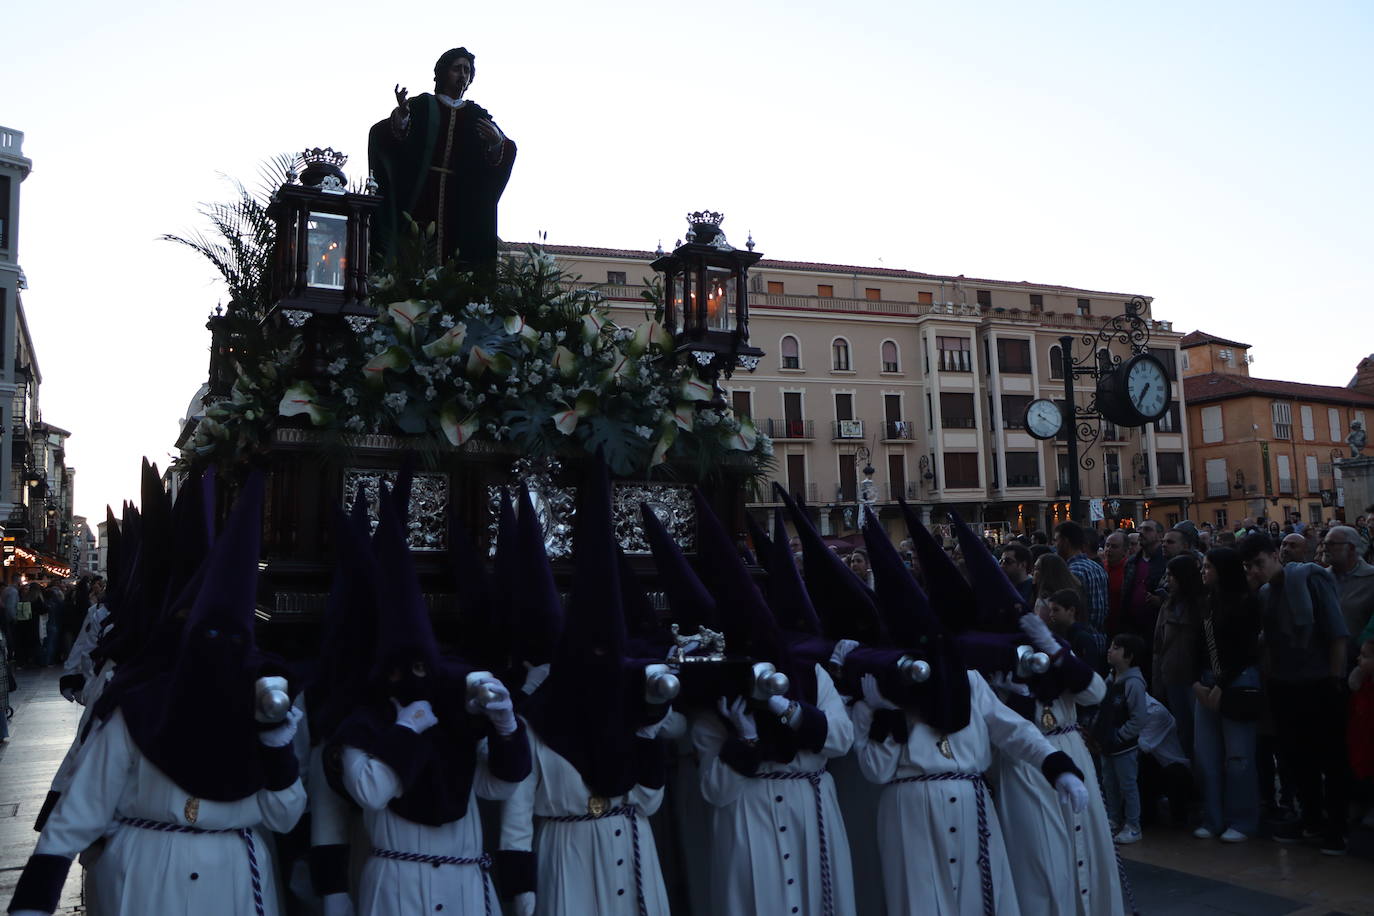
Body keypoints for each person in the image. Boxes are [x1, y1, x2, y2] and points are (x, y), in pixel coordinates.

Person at [6, 475, 308, 916]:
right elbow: (79, 811)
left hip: (233, 884)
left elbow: (285, 815)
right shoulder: (140, 706)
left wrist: (276, 741)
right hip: (143, 878)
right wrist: (33, 903)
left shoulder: (266, 709)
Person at [1239, 531, 1350, 854]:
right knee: (1297, 759)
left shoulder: (1311, 579)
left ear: (1276, 555)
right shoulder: (1262, 595)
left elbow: (1337, 633)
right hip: (1284, 685)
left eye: (1259, 563)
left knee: (1331, 758)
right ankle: (1312, 818)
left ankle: (1337, 827)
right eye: (1249, 566)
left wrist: (1334, 680)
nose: (1255, 571)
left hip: (1320, 684)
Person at [368, 47, 517, 265]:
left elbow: (502, 153)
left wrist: (496, 143)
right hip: (421, 196)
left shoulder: (477, 115)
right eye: (457, 69)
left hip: (461, 203)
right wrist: (401, 118)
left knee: (458, 259)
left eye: (467, 71)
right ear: (443, 73)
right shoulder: (422, 106)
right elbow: (386, 138)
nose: (462, 75)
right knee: (415, 254)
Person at [1190, 548, 1262, 842]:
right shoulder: (1207, 601)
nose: (1203, 571)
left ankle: (1242, 820)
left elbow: (1247, 650)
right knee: (1207, 756)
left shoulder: (1246, 602)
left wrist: (1221, 683)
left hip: (1236, 681)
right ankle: (1213, 817)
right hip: (1207, 682)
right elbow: (1196, 644)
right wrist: (1196, 681)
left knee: (1238, 756)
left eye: (1208, 567)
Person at [1094, 633, 1148, 844]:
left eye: (1116, 648)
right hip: (1108, 745)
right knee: (1109, 782)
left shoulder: (1133, 683)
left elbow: (1139, 718)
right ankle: (1114, 819)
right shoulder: (1110, 678)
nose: (1110, 650)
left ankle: (1133, 825)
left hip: (1123, 747)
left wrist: (1120, 735)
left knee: (1128, 785)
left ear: (1129, 656)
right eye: (1111, 646)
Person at [1152, 554, 1204, 756]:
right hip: (1172, 676)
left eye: (1171, 576)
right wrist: (1157, 680)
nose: (1167, 581)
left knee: (1200, 735)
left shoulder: (1202, 605)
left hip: (1196, 680)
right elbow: (1158, 645)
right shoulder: (1168, 605)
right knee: (1182, 730)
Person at [1055, 522, 1108, 658]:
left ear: (1065, 541)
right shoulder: (1097, 567)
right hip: (1100, 639)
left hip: (1081, 644)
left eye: (1057, 540)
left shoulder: (1072, 571)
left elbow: (1072, 612)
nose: (1055, 545)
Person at [1324, 525, 1374, 663]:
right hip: (1323, 662)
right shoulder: (1320, 578)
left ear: (1351, 548)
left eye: (1331, 544)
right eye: (1325, 543)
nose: (1325, 548)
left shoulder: (1371, 578)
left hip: (1359, 662)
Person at [1042, 588, 1102, 674]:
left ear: (1071, 610)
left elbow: (1090, 671)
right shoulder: (1062, 633)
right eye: (1050, 610)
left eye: (1056, 610)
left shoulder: (1083, 638)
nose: (1051, 614)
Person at [1102, 531, 1129, 638]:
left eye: (1114, 546)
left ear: (1125, 551)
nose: (1109, 549)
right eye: (1107, 545)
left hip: (1122, 627)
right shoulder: (1100, 567)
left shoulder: (1129, 569)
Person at [999, 542, 1036, 606]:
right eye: (1001, 561)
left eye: (1007, 562)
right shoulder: (1002, 586)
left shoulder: (1035, 589)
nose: (1002, 566)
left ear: (1022, 565)